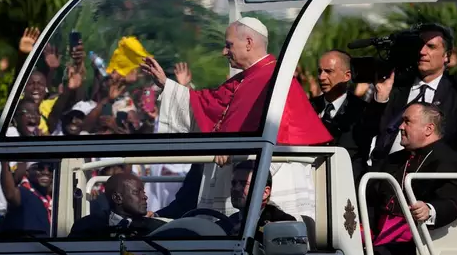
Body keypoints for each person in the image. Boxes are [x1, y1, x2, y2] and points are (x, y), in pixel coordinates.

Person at [141, 17, 331, 216]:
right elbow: (207, 104)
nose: (224, 51)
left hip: (272, 179)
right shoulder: (244, 78)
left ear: (248, 43)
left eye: (228, 45)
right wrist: (167, 85)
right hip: (236, 174)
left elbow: (278, 129)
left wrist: (233, 146)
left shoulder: (275, 77)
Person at [367, 103, 457, 255]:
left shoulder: (450, 160)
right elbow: (371, 196)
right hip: (380, 236)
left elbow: (452, 200)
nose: (401, 127)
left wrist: (429, 209)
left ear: (428, 129)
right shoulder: (393, 160)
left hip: (419, 243)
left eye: (407, 121)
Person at [368, 23, 457, 171]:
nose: (422, 51)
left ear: (447, 55)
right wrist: (380, 99)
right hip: (385, 176)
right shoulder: (395, 86)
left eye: (431, 47)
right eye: (419, 46)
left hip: (434, 180)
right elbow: (369, 131)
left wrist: (450, 171)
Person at [311, 50, 369, 185]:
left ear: (347, 76)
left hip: (347, 185)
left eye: (328, 71)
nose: (321, 77)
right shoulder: (307, 107)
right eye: (320, 71)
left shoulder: (362, 110)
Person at [69, 172, 164, 238]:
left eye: (143, 192)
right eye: (136, 192)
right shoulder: (86, 227)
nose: (145, 197)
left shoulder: (158, 229)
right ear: (117, 198)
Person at [229, 161, 295, 243]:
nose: (236, 188)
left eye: (244, 183)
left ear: (265, 193)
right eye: (233, 183)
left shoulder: (283, 224)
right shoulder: (227, 223)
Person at [0, 161, 54, 236]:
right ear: (27, 172)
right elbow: (10, 194)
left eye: (50, 169)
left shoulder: (51, 200)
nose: (46, 172)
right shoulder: (25, 192)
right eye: (40, 167)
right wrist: (5, 163)